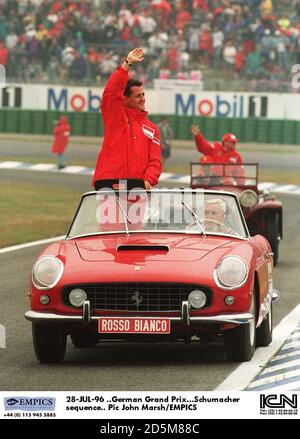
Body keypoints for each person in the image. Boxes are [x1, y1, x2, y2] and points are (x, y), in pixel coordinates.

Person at [92, 47, 162, 191]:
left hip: (137, 190)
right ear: (125, 99)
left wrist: (148, 180)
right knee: (112, 215)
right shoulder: (115, 115)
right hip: (110, 186)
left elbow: (155, 161)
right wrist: (126, 64)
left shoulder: (152, 129)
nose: (143, 99)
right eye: (138, 96)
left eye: (143, 94)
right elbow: (111, 93)